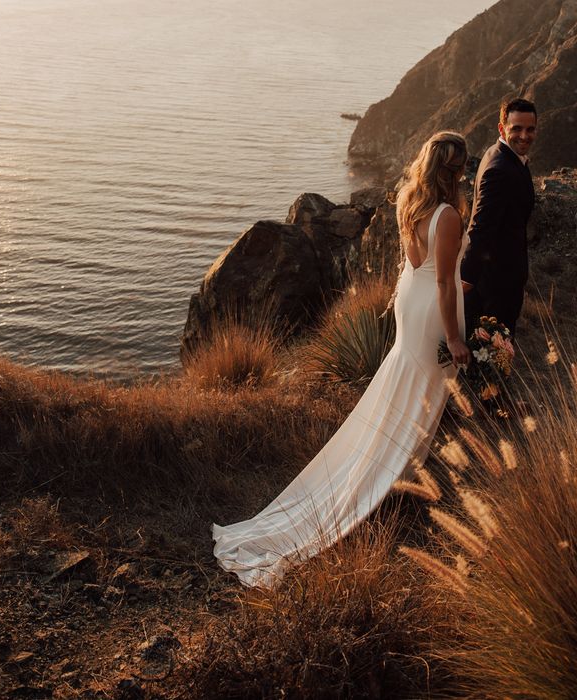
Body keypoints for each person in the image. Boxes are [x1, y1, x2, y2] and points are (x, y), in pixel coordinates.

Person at [213, 132, 471, 588]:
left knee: (402, 384)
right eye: (459, 167)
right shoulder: (449, 214)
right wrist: (454, 338)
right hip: (434, 308)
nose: (461, 174)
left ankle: (391, 470)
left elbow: (418, 265)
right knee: (424, 391)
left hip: (411, 299)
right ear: (451, 169)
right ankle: (387, 478)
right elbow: (447, 282)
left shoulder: (410, 201)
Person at [461, 98, 537, 337]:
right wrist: (466, 278)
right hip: (494, 284)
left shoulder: (502, 155)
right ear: (502, 128)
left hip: (502, 278)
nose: (524, 136)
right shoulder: (499, 170)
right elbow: (480, 228)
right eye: (517, 128)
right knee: (492, 357)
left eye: (530, 129)